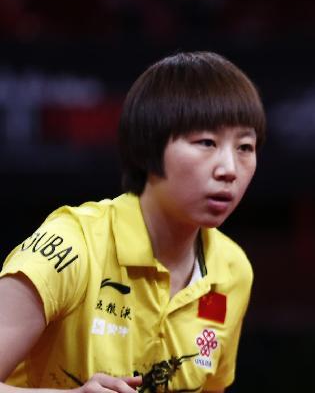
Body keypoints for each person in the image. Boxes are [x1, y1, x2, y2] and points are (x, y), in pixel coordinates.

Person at [0, 51, 264, 392]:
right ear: (147, 150)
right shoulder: (70, 247)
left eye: (245, 147)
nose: (228, 169)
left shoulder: (232, 271)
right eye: (206, 143)